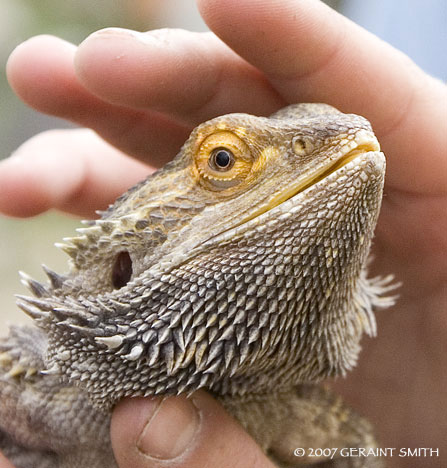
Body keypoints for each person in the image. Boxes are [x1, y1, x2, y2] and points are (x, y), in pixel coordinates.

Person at [1, 0, 446, 467]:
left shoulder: (318, 427)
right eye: (224, 160)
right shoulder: (26, 385)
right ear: (122, 269)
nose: (349, 134)